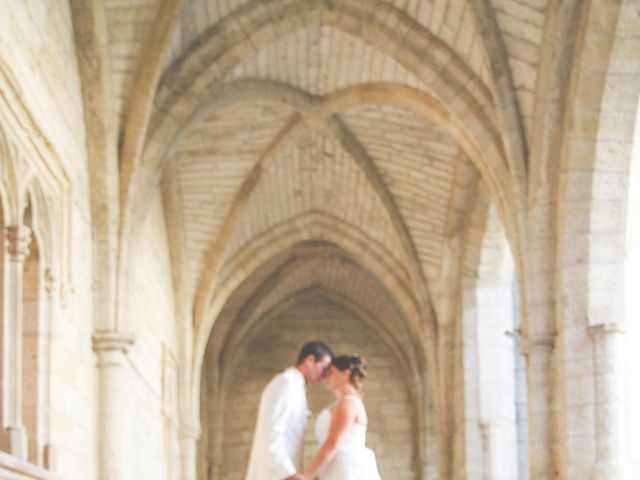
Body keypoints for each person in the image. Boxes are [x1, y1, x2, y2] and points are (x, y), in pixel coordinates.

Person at [245, 341, 333, 480]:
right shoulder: (286, 382)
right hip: (273, 474)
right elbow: (271, 431)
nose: (324, 375)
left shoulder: (297, 386)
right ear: (310, 360)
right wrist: (288, 473)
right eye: (324, 368)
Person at [302, 355, 381, 480]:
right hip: (336, 471)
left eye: (331, 372)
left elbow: (333, 443)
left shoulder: (348, 402)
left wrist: (305, 475)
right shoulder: (344, 402)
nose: (327, 376)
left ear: (345, 374)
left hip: (348, 471)